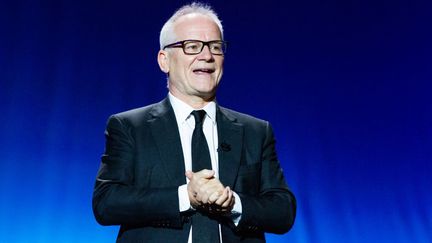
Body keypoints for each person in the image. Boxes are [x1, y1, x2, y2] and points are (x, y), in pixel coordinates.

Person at [92, 2, 296, 242]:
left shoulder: (255, 131)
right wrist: (186, 196)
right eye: (192, 46)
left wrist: (234, 203)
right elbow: (106, 202)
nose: (207, 55)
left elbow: (283, 210)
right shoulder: (130, 127)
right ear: (164, 60)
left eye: (216, 47)